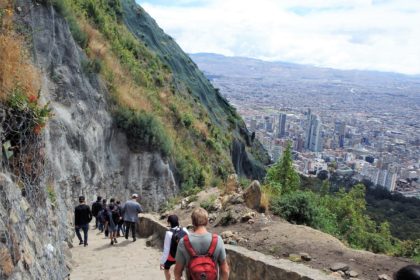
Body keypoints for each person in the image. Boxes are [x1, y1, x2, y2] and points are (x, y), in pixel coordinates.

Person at [174, 208, 229, 280]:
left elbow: (177, 272)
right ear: (207, 221)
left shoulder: (183, 242)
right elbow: (225, 270)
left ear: (193, 222)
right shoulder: (217, 240)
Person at [160, 215, 188, 280]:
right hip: (182, 257)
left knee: (166, 269)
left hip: (171, 257)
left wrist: (162, 262)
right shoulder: (184, 230)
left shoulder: (169, 233)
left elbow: (166, 250)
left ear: (169, 223)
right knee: (179, 274)